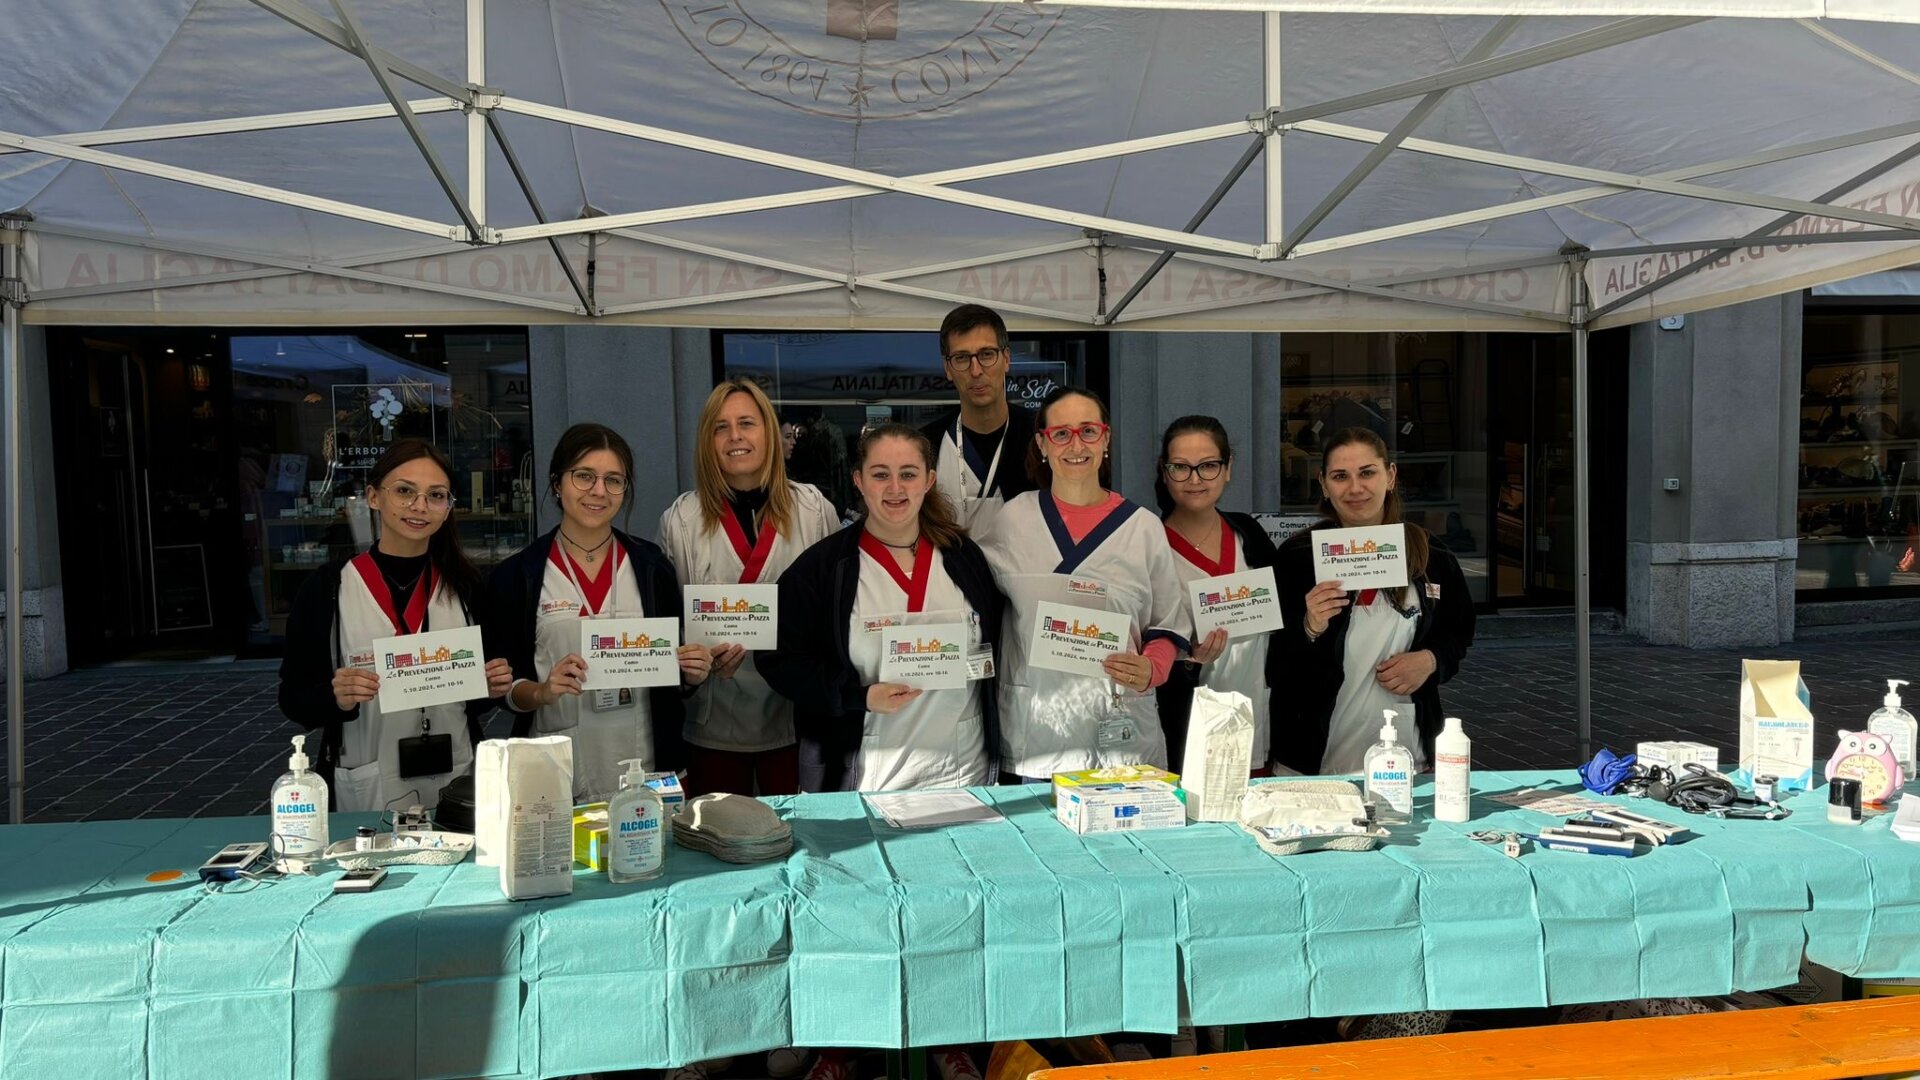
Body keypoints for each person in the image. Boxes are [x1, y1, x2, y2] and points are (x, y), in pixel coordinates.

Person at [760, 423, 1004, 793]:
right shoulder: (824, 568)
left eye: (908, 474)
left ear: (929, 480)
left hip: (963, 771)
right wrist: (857, 697)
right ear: (858, 480)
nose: (895, 488)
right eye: (880, 475)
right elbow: (778, 658)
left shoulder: (963, 558)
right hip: (865, 778)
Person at [277, 439, 513, 812]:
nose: (419, 506)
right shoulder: (329, 589)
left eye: (436, 495)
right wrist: (334, 696)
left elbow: (481, 697)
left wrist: (493, 683)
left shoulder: (467, 588)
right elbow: (293, 700)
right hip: (368, 777)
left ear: (448, 507)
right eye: (404, 491)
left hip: (457, 771)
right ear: (373, 497)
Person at [977, 387, 1192, 781]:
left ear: (1106, 438)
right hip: (1040, 733)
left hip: (1121, 730)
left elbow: (1167, 624)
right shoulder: (1013, 520)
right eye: (1061, 433)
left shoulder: (1142, 527)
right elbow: (973, 597)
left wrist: (1152, 668)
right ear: (1043, 443)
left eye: (1088, 431)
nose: (1076, 445)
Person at [488, 423, 710, 803]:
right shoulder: (518, 576)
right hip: (557, 764)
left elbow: (674, 675)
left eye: (614, 480)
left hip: (648, 764)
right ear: (557, 483)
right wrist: (541, 691)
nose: (598, 491)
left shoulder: (651, 567)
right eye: (584, 476)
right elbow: (504, 688)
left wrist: (691, 674)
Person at [658, 379, 841, 797]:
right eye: (720, 427)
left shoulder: (814, 509)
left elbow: (833, 614)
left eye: (747, 423)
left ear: (770, 434)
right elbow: (670, 627)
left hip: (795, 722)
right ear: (707, 441)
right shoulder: (680, 519)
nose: (735, 436)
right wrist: (692, 659)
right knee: (719, 847)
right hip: (713, 724)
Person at [1274, 427, 1474, 774]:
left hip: (1406, 753)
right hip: (1313, 759)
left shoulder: (1431, 555)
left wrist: (1429, 660)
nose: (1355, 488)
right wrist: (1308, 628)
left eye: (1367, 472)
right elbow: (1272, 655)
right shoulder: (1297, 557)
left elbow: (1458, 632)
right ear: (1323, 483)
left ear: (1390, 475)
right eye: (1340, 476)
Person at [1154, 416, 1280, 775]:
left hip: (1255, 728)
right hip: (1185, 735)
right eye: (1180, 467)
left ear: (1228, 469)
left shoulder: (1250, 535)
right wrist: (1186, 657)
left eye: (1208, 466)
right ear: (1165, 472)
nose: (1195, 479)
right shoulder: (1149, 545)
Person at [921, 304, 1034, 535]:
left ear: (1006, 358)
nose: (975, 370)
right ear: (948, 368)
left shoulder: (1041, 436)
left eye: (986, 355)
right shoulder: (925, 445)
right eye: (962, 357)